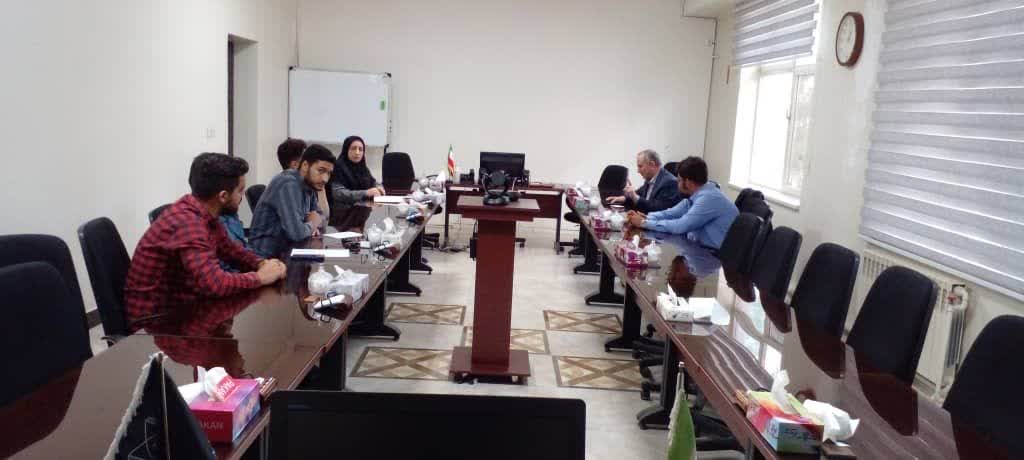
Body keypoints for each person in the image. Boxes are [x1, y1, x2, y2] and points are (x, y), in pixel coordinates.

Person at [123, 153, 287, 329]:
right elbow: (214, 284)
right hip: (156, 323)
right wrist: (260, 277)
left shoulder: (201, 212)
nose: (242, 197)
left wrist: (261, 263)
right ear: (223, 196)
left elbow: (229, 249)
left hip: (182, 305)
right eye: (240, 191)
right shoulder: (188, 223)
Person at [627, 156, 738, 249]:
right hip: (698, 248)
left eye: (679, 180)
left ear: (688, 181)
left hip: (714, 257)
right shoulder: (696, 195)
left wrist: (644, 223)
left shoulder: (709, 198)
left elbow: (681, 226)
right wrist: (647, 217)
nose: (677, 184)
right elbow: (670, 213)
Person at [249, 144, 336, 257]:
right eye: (321, 170)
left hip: (289, 251)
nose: (325, 179)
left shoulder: (309, 184)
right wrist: (312, 224)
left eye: (328, 173)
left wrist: (310, 224)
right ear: (305, 165)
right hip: (266, 257)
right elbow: (297, 233)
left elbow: (322, 218)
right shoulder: (288, 184)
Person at [606, 149, 682, 212]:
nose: (638, 171)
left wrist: (635, 196)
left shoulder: (670, 182)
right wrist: (623, 198)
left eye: (640, 166)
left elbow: (658, 209)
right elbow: (639, 193)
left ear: (652, 164)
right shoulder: (650, 178)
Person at [330, 135, 385, 208]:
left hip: (363, 209)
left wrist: (379, 188)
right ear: (346, 150)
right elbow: (338, 193)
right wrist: (366, 193)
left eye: (360, 149)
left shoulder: (363, 168)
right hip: (342, 210)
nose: (357, 152)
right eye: (353, 148)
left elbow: (373, 182)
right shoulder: (337, 168)